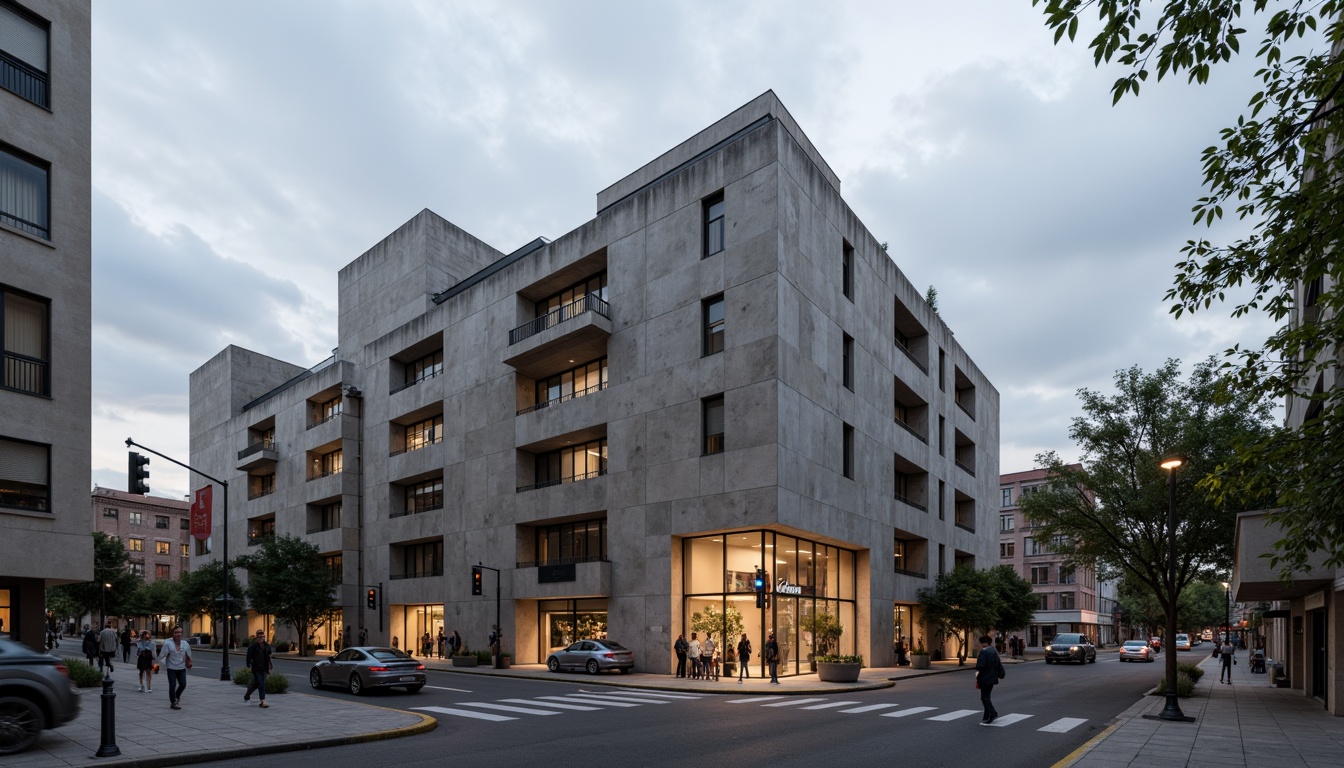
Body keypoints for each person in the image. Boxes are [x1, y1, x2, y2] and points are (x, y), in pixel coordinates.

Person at [156, 625, 192, 710]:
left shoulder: (185, 643)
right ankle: (173, 702)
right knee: (172, 685)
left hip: (181, 667)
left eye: (180, 632)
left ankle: (177, 696)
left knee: (183, 684)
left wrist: (189, 662)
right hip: (171, 667)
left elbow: (188, 655)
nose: (178, 634)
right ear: (173, 633)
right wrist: (163, 658)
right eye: (176, 632)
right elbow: (162, 655)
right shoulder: (168, 643)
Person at [974, 635, 1005, 724]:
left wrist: (977, 670)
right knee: (987, 696)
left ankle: (993, 713)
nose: (981, 645)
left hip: (985, 677)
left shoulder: (984, 652)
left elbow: (980, 666)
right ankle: (986, 716)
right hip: (993, 677)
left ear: (985, 642)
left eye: (982, 643)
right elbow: (998, 664)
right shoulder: (994, 651)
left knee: (985, 698)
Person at [244, 628, 273, 708]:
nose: (260, 637)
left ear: (264, 636)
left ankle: (247, 695)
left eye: (262, 635)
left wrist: (270, 667)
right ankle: (263, 701)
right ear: (256, 636)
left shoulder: (266, 645)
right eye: (259, 635)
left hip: (264, 668)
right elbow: (248, 656)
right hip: (256, 668)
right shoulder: (253, 645)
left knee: (257, 684)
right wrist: (249, 666)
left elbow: (268, 655)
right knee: (261, 684)